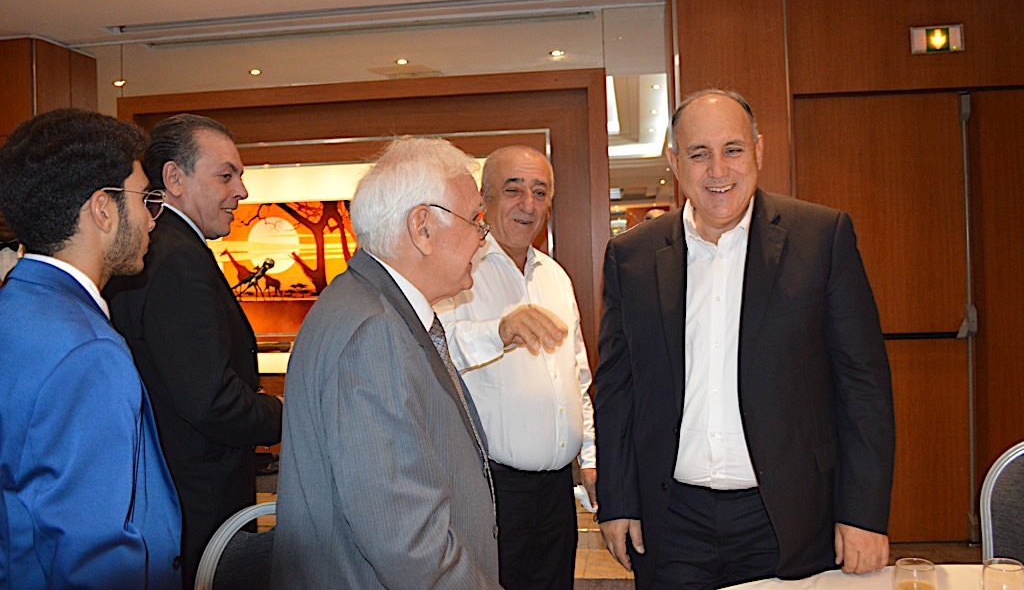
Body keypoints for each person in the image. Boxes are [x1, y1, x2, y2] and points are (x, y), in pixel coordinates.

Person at [593, 89, 895, 590]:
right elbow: (616, 390)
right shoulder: (632, 257)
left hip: (788, 518)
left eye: (732, 149)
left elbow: (863, 385)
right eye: (699, 153)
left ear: (758, 150)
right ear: (674, 161)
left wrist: (863, 513)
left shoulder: (821, 238)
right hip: (672, 521)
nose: (718, 170)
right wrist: (618, 500)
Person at [271, 137, 501, 590]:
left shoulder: (369, 306)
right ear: (422, 227)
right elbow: (408, 543)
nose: (483, 236)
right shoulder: (373, 331)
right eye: (475, 219)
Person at [0, 108, 181, 589]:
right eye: (145, 199)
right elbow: (95, 559)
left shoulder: (15, 306)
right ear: (103, 209)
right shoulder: (87, 351)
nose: (151, 220)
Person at [105, 114, 283, 589]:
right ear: (174, 179)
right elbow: (210, 399)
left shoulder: (163, 249)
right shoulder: (176, 258)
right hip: (197, 503)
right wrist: (288, 413)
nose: (241, 191)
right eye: (226, 175)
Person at [436, 145, 595, 590]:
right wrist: (498, 330)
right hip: (491, 492)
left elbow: (577, 376)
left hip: (557, 494)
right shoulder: (458, 271)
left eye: (540, 192)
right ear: (484, 199)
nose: (528, 204)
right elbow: (434, 350)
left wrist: (590, 457)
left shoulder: (555, 276)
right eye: (514, 190)